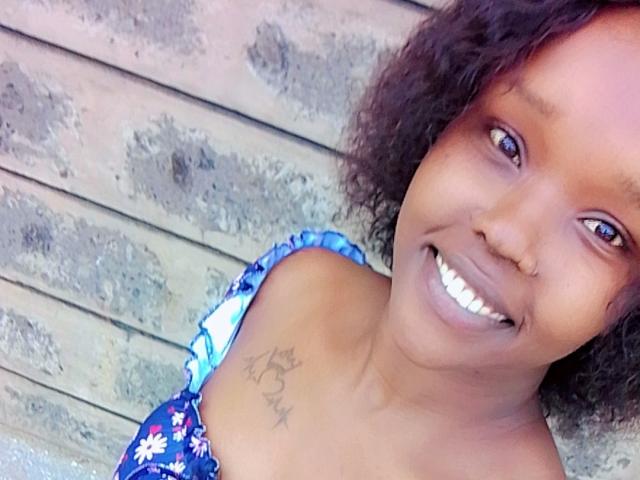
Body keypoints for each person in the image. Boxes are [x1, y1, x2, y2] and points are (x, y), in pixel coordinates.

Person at [113, 1, 640, 478]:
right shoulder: (297, 278)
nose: (508, 233)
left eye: (604, 231)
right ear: (441, 117)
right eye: (506, 143)